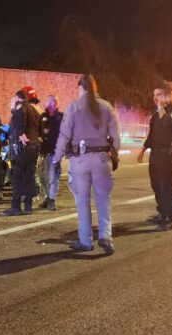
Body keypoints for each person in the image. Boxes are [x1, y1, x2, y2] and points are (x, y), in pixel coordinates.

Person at [53, 74, 121, 254]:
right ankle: (106, 237)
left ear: (80, 88)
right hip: (101, 159)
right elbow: (116, 136)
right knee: (103, 200)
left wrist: (56, 157)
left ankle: (86, 241)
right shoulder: (106, 107)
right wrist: (113, 154)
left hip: (80, 160)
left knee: (82, 201)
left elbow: (64, 135)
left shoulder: (74, 107)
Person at [137, 85, 172, 231]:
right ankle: (161, 213)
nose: (155, 98)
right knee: (156, 185)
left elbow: (168, 123)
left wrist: (161, 108)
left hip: (167, 155)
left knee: (166, 186)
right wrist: (143, 149)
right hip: (155, 154)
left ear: (167, 97)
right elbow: (152, 134)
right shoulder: (156, 115)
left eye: (159, 95)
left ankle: (169, 218)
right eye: (154, 95)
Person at [2, 90, 41, 216]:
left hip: (21, 149)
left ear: (17, 98)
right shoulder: (34, 110)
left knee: (16, 176)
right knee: (29, 177)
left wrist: (21, 135)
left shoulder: (20, 108)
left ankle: (15, 206)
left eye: (12, 100)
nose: (11, 103)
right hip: (33, 148)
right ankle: (28, 207)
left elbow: (20, 125)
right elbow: (39, 129)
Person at [38, 95, 64, 211]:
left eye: (47, 102)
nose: (45, 104)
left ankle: (52, 200)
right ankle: (47, 196)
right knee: (42, 176)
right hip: (43, 151)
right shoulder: (43, 117)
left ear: (53, 103)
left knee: (53, 176)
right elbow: (38, 131)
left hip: (55, 151)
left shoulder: (61, 117)